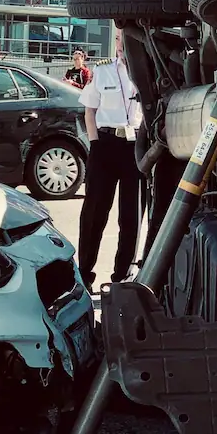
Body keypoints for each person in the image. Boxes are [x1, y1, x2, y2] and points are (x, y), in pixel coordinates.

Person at [77, 30, 144, 290]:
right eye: (116, 39)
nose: (119, 44)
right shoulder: (102, 70)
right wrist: (94, 143)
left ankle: (122, 276)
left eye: (123, 38)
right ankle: (84, 274)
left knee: (131, 214)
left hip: (135, 146)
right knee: (95, 212)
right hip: (105, 145)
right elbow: (89, 110)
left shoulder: (146, 70)